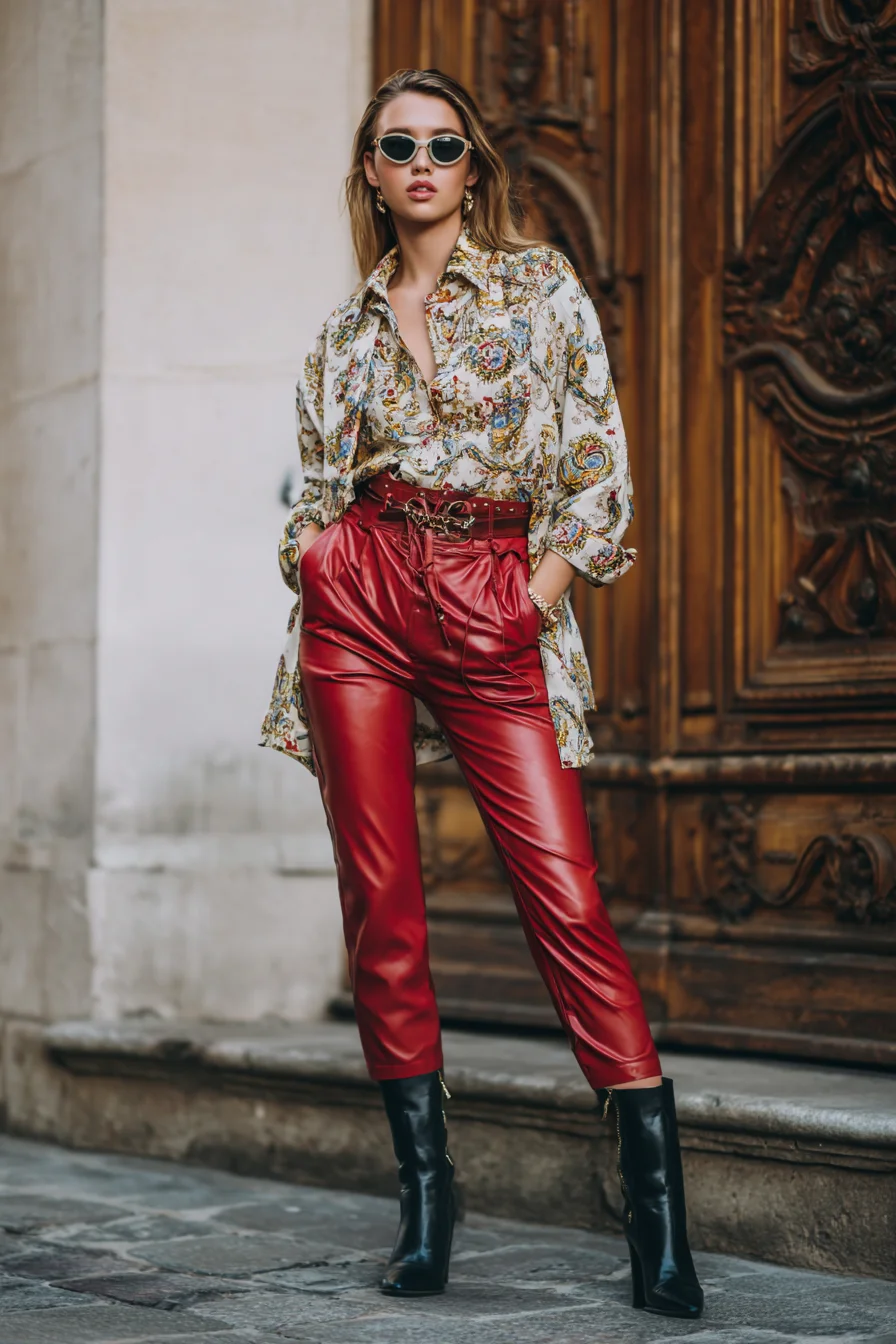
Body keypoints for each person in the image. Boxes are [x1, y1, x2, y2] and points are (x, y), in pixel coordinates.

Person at [260, 66, 703, 1319]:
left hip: (490, 587)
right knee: (382, 898)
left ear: (471, 166)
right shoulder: (341, 335)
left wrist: (531, 592)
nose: (419, 163)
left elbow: (594, 463)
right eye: (395, 145)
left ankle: (656, 1212)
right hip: (359, 601)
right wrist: (317, 555)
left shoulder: (539, 287)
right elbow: (308, 486)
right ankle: (425, 1200)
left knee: (561, 890)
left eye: (442, 145)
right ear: (369, 167)